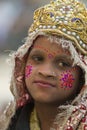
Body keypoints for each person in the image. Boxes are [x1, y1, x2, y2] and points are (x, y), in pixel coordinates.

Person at [0, 0, 87, 129]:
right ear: (23, 63)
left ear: (82, 76)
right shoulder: (8, 122)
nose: (45, 71)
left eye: (63, 63)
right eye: (38, 58)